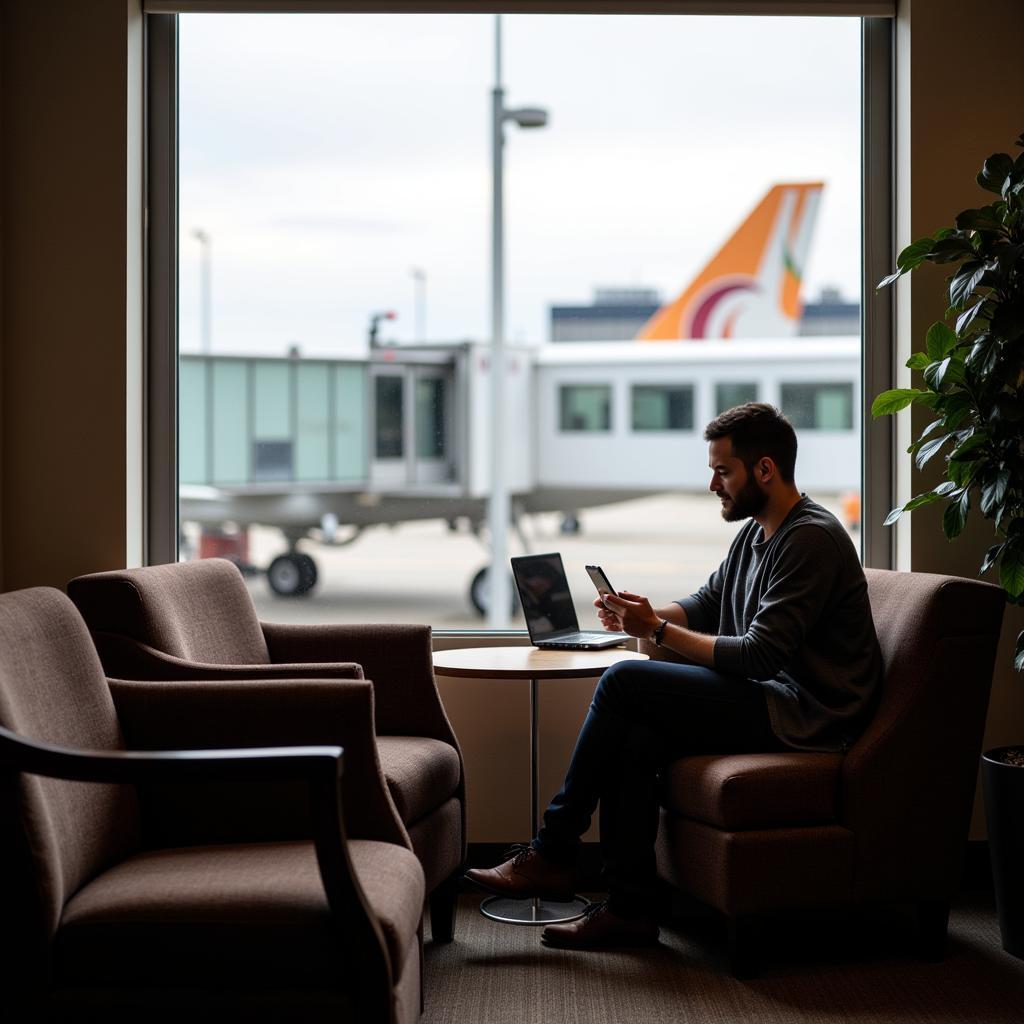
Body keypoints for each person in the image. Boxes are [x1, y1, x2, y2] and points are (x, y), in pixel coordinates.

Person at [465, 403, 883, 950]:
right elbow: (706, 602)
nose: (712, 484)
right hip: (771, 699)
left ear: (764, 470)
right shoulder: (755, 536)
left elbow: (759, 656)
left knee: (623, 681)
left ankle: (553, 851)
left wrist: (656, 631)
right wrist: (640, 615)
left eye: (723, 471)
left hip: (808, 714)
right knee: (637, 738)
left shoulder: (809, 539)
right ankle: (630, 911)